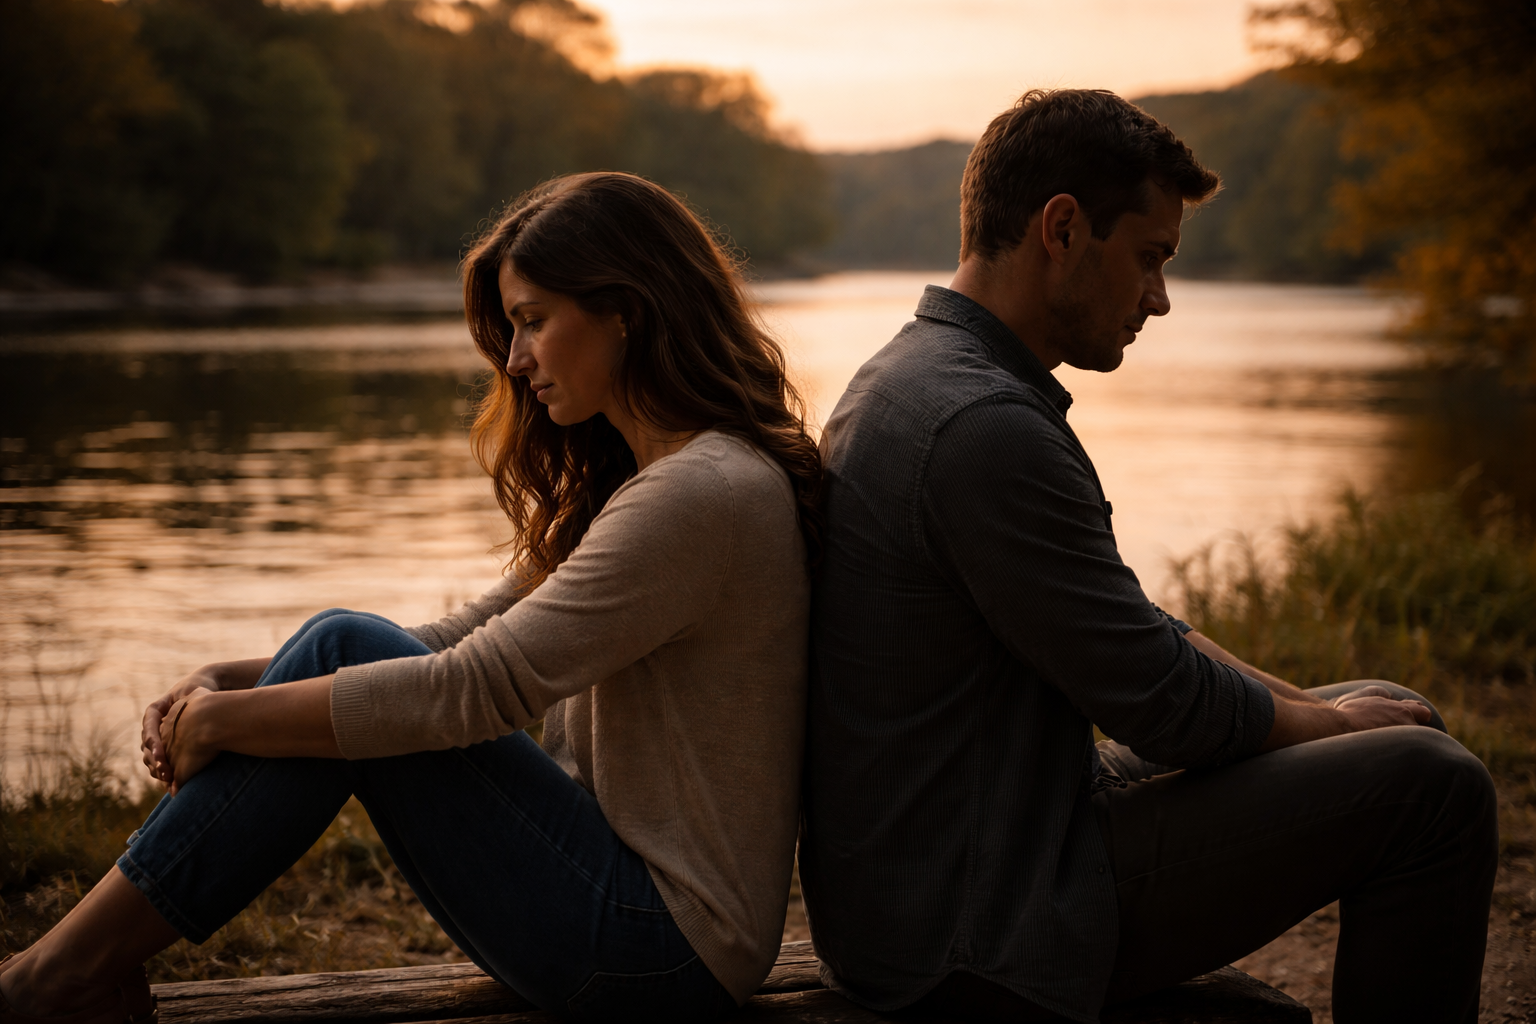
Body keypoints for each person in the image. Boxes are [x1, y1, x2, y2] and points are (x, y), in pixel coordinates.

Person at [0, 172, 821, 1024]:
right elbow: (451, 641)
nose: (514, 359)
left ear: (627, 311)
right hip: (625, 909)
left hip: (659, 950)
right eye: (511, 328)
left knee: (346, 644)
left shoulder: (701, 494)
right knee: (340, 639)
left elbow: (473, 690)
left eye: (534, 320)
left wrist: (221, 723)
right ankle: (76, 965)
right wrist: (228, 681)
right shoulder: (651, 481)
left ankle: (55, 975)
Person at [799, 89, 1496, 1024]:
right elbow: (1165, 705)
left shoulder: (916, 374)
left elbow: (1129, 633)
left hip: (961, 850)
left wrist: (1312, 711)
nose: (1160, 299)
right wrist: (1341, 736)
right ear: (1062, 228)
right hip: (972, 922)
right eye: (1150, 258)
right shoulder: (980, 426)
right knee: (1435, 784)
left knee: (1383, 711)